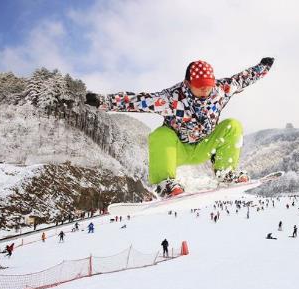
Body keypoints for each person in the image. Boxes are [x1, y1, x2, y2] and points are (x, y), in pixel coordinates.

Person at [98, 58, 275, 198]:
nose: (205, 90)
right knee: (161, 134)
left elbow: (242, 79)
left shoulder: (221, 90)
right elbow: (137, 101)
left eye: (208, 85)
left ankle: (225, 172)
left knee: (233, 125)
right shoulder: (170, 99)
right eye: (200, 86)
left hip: (205, 147)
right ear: (188, 83)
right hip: (178, 151)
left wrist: (263, 67)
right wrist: (103, 102)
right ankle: (165, 183)